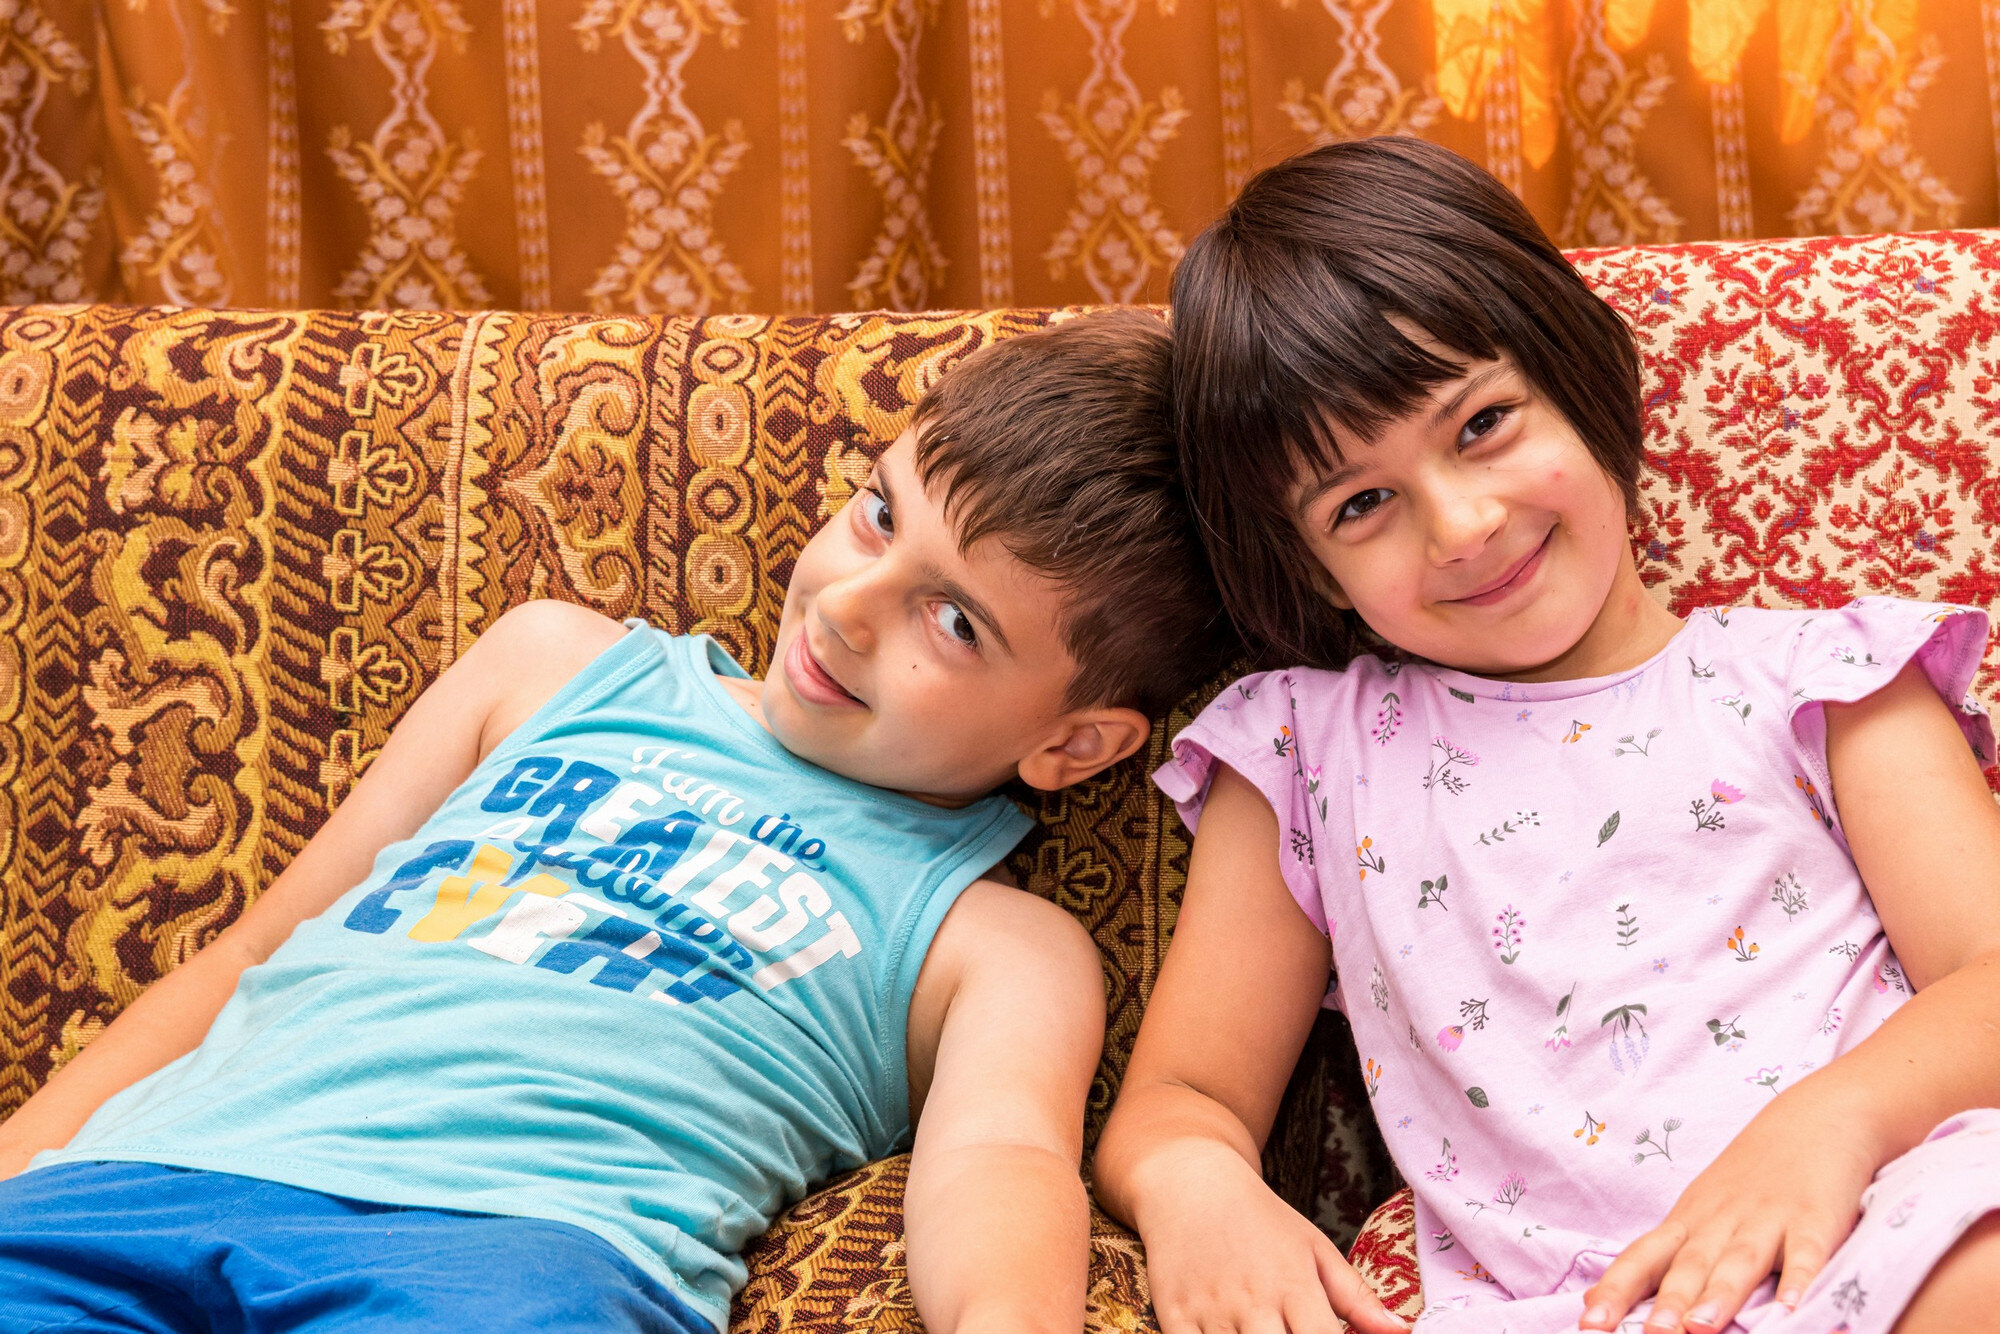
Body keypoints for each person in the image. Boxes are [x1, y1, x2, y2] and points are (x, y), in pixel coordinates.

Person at [0, 309, 1237, 1334]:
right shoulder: (554, 664)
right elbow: (253, 950)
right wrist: (25, 1166)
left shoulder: (997, 943)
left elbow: (997, 1164)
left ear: (1073, 743)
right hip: (146, 1186)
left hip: (520, 1251)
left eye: (953, 620)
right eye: (877, 514)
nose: (849, 606)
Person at [1093, 137, 2000, 1334]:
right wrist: (1191, 1180)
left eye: (1480, 423)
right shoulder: (1309, 757)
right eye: (1360, 503)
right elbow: (1184, 1094)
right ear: (1306, 567)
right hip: (1577, 1308)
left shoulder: (1819, 679)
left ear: (1574, 376)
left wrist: (1832, 1121)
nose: (1461, 523)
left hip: (1887, 1220)